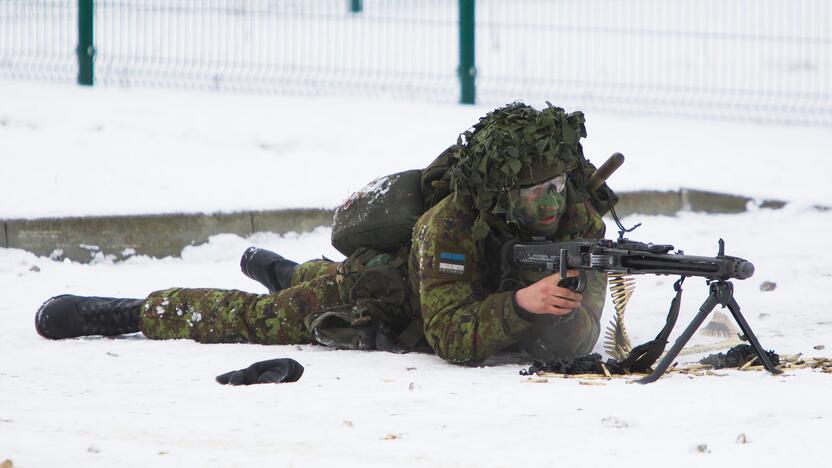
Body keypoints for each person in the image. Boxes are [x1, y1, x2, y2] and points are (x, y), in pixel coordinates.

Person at [35, 103, 612, 366]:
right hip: (384, 297)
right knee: (261, 319)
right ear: (499, 196)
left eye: (560, 185)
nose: (552, 203)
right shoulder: (451, 225)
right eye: (535, 193)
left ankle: (287, 271)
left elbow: (581, 340)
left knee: (305, 282)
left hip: (434, 290)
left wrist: (557, 312)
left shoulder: (583, 225)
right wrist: (518, 303)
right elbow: (448, 338)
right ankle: (135, 312)